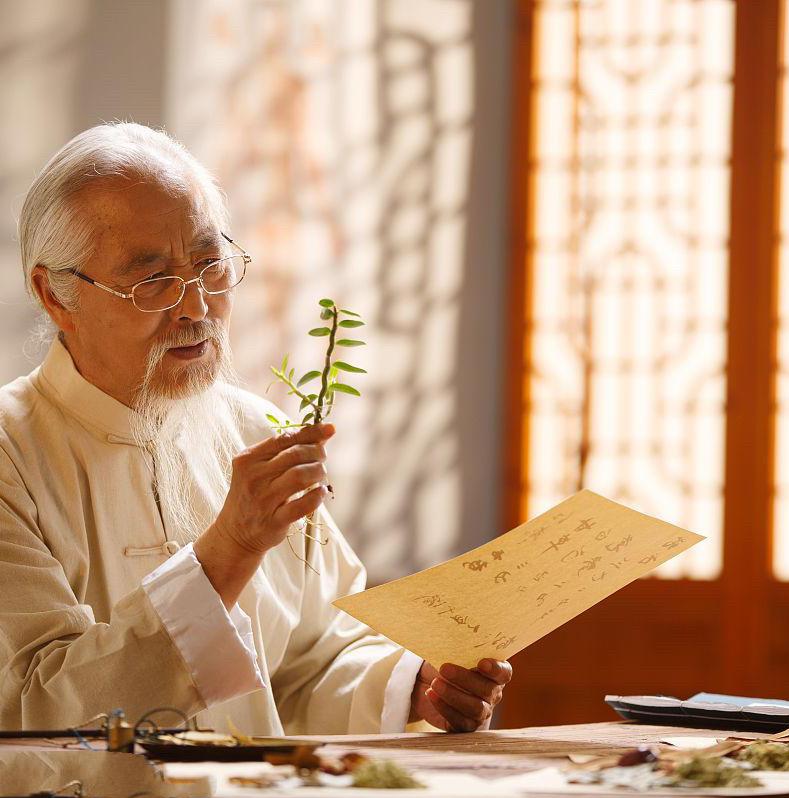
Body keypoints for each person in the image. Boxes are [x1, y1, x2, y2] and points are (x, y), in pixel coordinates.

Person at [0, 123, 511, 735]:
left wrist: (411, 690)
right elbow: (34, 706)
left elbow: (311, 662)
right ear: (56, 296)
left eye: (209, 265)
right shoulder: (12, 456)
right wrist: (228, 551)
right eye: (152, 280)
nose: (196, 307)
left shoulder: (256, 432)